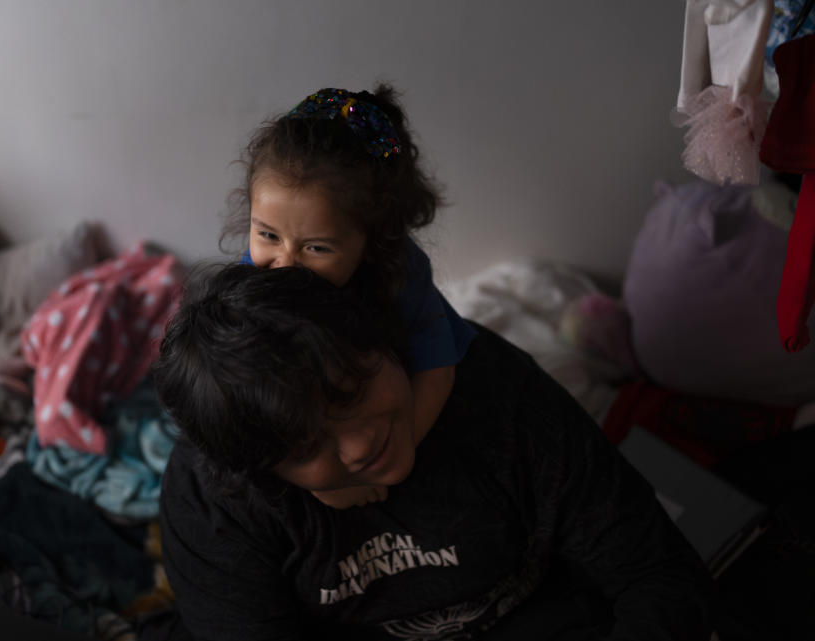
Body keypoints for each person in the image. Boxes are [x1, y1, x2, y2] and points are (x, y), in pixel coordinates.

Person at [153, 264, 719, 641]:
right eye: (305, 447)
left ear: (381, 342)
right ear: (263, 469)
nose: (357, 446)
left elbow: (655, 573)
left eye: (352, 394)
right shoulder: (214, 497)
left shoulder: (491, 391)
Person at [221, 85, 476, 508]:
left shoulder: (401, 277)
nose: (285, 263)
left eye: (316, 247)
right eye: (268, 234)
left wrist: (378, 466)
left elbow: (437, 372)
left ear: (372, 241)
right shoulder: (257, 272)